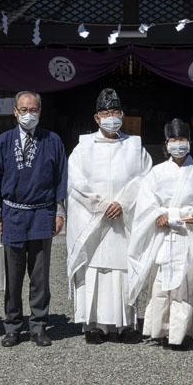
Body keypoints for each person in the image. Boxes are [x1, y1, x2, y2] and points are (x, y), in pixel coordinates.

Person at [0, 91, 68, 348]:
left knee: (40, 275)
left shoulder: (52, 140)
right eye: (23, 109)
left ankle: (39, 325)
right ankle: (13, 326)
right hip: (12, 214)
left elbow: (60, 177)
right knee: (14, 275)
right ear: (15, 112)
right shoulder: (3, 142)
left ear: (40, 111)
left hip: (42, 213)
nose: (28, 114)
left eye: (33, 109)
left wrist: (59, 212)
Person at [66, 88, 153, 344]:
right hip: (95, 221)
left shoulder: (135, 147)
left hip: (124, 222)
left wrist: (123, 203)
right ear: (96, 118)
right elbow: (76, 183)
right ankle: (96, 325)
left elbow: (146, 180)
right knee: (95, 272)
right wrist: (103, 205)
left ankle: (126, 323)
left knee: (124, 271)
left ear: (122, 115)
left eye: (115, 112)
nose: (110, 117)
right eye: (105, 113)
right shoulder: (83, 148)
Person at [126, 119, 193, 350]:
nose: (178, 144)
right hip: (164, 236)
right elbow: (147, 205)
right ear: (166, 145)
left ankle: (183, 333)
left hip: (188, 236)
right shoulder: (156, 172)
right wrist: (157, 215)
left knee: (185, 287)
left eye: (182, 139)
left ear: (190, 143)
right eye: (174, 140)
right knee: (160, 286)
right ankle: (160, 330)